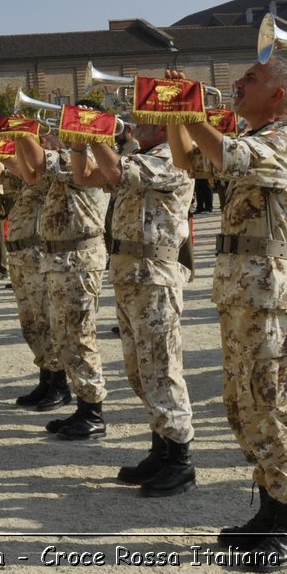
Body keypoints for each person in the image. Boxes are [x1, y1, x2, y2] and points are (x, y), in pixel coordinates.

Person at [166, 62, 287, 572]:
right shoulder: (257, 135)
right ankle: (271, 506)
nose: (235, 86)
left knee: (269, 401)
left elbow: (226, 153)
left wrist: (187, 107)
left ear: (277, 94)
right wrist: (171, 113)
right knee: (242, 401)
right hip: (244, 289)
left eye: (247, 80)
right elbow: (188, 160)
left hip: (269, 290)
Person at [75, 122, 198, 496]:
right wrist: (80, 144)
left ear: (164, 127)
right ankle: (160, 448)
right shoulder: (141, 157)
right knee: (140, 370)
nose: (132, 124)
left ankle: (179, 460)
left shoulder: (172, 158)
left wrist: (93, 133)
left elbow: (113, 171)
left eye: (143, 118)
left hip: (155, 275)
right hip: (132, 275)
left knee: (162, 368)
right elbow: (86, 178)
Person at [18, 130, 109, 441]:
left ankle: (93, 410)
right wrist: (19, 137)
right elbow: (32, 174)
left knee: (80, 336)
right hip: (62, 259)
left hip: (79, 258)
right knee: (65, 335)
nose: (54, 137)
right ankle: (84, 405)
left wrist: (21, 131)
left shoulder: (87, 160)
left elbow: (41, 162)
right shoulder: (75, 160)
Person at [5, 139, 67, 410]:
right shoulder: (29, 178)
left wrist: (19, 140)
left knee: (47, 322)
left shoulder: (53, 175)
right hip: (21, 258)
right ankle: (45, 377)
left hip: (37, 257)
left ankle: (60, 384)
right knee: (31, 324)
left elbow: (31, 171)